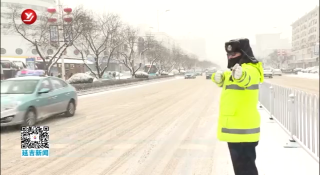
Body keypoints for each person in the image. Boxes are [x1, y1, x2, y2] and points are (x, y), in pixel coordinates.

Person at [211, 38, 264, 175]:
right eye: (229, 55)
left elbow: (247, 77)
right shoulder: (233, 70)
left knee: (246, 170)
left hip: (244, 131)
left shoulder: (251, 69)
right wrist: (217, 78)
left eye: (234, 54)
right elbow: (227, 76)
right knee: (241, 170)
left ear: (244, 54)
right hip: (236, 131)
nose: (230, 57)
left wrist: (241, 76)